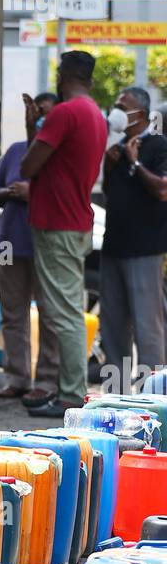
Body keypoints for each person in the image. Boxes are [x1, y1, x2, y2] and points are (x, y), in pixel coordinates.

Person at [21, 51, 108, 417]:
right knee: (66, 309)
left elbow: (29, 165)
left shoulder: (65, 112)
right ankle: (65, 389)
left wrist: (35, 128)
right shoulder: (95, 115)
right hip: (74, 220)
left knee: (65, 314)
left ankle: (71, 394)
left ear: (66, 74)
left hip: (58, 223)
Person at [0, 91, 59, 401]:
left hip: (46, 245)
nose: (40, 117)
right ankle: (16, 378)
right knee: (12, 314)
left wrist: (35, 193)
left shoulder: (59, 153)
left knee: (49, 315)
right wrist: (11, 191)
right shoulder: (16, 151)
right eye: (37, 111)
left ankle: (47, 381)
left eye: (47, 112)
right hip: (11, 244)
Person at [98, 86, 167, 385]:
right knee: (113, 326)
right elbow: (108, 191)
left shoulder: (158, 145)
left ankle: (155, 399)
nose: (115, 110)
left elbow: (162, 189)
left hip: (145, 251)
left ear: (139, 112)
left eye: (120, 105)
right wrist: (110, 162)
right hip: (113, 247)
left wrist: (136, 163)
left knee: (147, 327)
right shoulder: (115, 149)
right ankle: (117, 394)